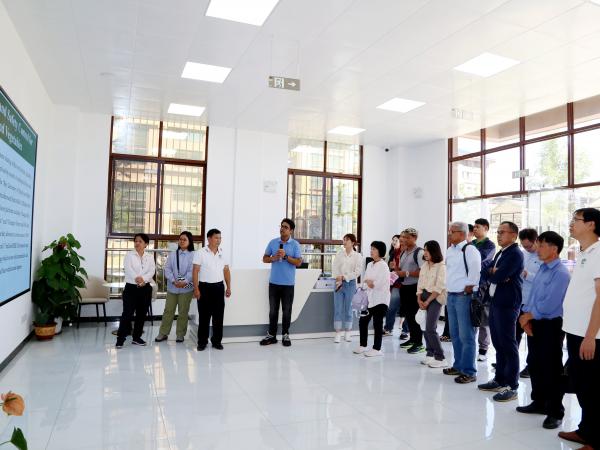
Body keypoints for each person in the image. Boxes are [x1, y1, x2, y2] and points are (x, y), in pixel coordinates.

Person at [517, 231, 570, 430]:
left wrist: (528, 316)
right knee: (535, 363)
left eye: (541, 245)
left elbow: (550, 304)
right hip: (534, 321)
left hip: (551, 324)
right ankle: (539, 402)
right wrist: (525, 316)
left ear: (554, 249)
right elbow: (533, 296)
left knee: (551, 368)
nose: (537, 249)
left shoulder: (561, 273)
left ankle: (555, 411)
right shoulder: (542, 268)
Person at [558, 208, 600, 450]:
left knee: (592, 387)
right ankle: (586, 431)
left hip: (589, 335)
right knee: (582, 385)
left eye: (576, 220)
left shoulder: (599, 252)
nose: (571, 223)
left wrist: (591, 336)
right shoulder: (585, 251)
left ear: (591, 224)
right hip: (575, 331)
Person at [477, 221, 524, 402]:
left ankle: (512, 385)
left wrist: (496, 273)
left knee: (508, 344)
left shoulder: (515, 254)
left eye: (502, 232)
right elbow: (485, 272)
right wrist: (493, 271)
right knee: (498, 343)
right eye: (498, 232)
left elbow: (499, 276)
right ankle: (499, 379)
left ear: (513, 235)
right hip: (495, 302)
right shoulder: (501, 252)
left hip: (508, 304)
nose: (499, 235)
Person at [443, 221, 481, 384]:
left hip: (464, 296)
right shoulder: (450, 250)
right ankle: (458, 365)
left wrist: (470, 287)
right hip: (451, 295)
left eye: (452, 231)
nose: (449, 234)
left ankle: (469, 371)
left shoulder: (470, 250)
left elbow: (476, 270)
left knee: (467, 335)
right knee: (455, 334)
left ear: (462, 234)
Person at [260, 219, 303, 347]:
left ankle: (285, 335)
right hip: (274, 283)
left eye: (285, 227)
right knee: (273, 311)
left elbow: (299, 262)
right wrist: (273, 258)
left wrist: (285, 257)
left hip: (288, 284)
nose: (282, 229)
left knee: (287, 311)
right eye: (281, 226)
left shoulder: (295, 245)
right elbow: (264, 258)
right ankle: (272, 336)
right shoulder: (273, 242)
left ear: (291, 230)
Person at [193, 229, 231, 351]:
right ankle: (202, 342)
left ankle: (216, 341)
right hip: (204, 288)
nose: (218, 240)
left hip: (219, 287)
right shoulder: (201, 252)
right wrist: (196, 289)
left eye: (220, 238)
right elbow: (195, 271)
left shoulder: (222, 253)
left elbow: (226, 270)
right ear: (209, 238)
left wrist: (229, 287)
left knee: (218, 317)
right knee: (204, 317)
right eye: (216, 238)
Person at [115, 233, 155, 349]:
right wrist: (137, 278)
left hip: (145, 288)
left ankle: (136, 338)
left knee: (141, 314)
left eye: (140, 241)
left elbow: (152, 270)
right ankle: (120, 339)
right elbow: (128, 269)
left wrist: (144, 279)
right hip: (131, 288)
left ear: (146, 244)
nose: (137, 243)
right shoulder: (129, 255)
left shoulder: (149, 256)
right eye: (136, 241)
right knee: (127, 314)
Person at [155, 231, 195, 343]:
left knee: (183, 312)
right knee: (168, 310)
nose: (181, 241)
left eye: (184, 239)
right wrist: (173, 280)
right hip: (172, 287)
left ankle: (180, 334)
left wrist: (184, 281)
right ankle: (163, 333)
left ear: (189, 241)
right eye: (180, 239)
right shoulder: (173, 254)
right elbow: (167, 269)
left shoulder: (193, 255)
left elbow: (192, 271)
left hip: (186, 288)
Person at [353, 241, 390, 357]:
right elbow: (365, 281)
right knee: (363, 321)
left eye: (374, 249)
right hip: (369, 299)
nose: (371, 251)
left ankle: (377, 349)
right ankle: (363, 345)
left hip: (380, 299)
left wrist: (370, 283)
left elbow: (378, 284)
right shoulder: (369, 264)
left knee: (377, 324)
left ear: (380, 251)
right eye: (371, 248)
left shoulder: (384, 266)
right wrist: (368, 283)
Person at [417, 240, 448, 368]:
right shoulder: (424, 265)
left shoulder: (441, 266)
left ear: (434, 251)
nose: (425, 253)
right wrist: (419, 299)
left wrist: (427, 301)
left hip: (435, 298)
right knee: (424, 327)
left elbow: (439, 287)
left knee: (430, 327)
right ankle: (430, 354)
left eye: (427, 250)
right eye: (424, 250)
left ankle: (440, 357)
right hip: (424, 296)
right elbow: (420, 284)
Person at [516, 228, 541, 378]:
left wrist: (527, 274)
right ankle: (510, 361)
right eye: (524, 246)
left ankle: (531, 366)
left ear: (536, 241)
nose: (527, 249)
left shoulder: (543, 256)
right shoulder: (522, 254)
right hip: (519, 300)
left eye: (529, 246)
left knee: (532, 337)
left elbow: (543, 278)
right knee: (515, 334)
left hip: (533, 302)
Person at [397, 228, 426, 354]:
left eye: (407, 237)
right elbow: (401, 269)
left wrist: (406, 273)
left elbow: (423, 271)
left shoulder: (419, 252)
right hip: (404, 287)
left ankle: (419, 343)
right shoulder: (403, 252)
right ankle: (412, 339)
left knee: (415, 316)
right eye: (403, 237)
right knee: (408, 315)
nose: (404, 239)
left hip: (414, 287)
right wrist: (396, 269)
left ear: (415, 238)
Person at [472, 218, 496, 362]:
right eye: (474, 227)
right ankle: (471, 346)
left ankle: (483, 349)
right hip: (469, 284)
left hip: (482, 285)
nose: (474, 229)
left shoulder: (489, 245)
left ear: (486, 228)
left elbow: (479, 260)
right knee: (471, 316)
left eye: (478, 227)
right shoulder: (471, 243)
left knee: (483, 318)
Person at [332, 233, 363, 343]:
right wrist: (338, 278)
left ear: (353, 242)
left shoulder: (357, 256)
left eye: (347, 240)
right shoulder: (339, 254)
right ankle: (338, 333)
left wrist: (344, 277)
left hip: (350, 284)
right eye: (344, 239)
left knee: (349, 308)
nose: (344, 242)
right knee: (338, 308)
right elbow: (334, 267)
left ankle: (348, 332)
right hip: (338, 282)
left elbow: (358, 272)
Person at [384, 236, 408, 337]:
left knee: (407, 308)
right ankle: (388, 328)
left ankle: (405, 331)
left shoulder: (410, 252)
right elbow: (390, 267)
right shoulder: (394, 252)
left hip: (408, 283)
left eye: (397, 240)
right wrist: (391, 266)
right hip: (396, 283)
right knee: (391, 307)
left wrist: (397, 268)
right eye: (393, 240)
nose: (395, 242)